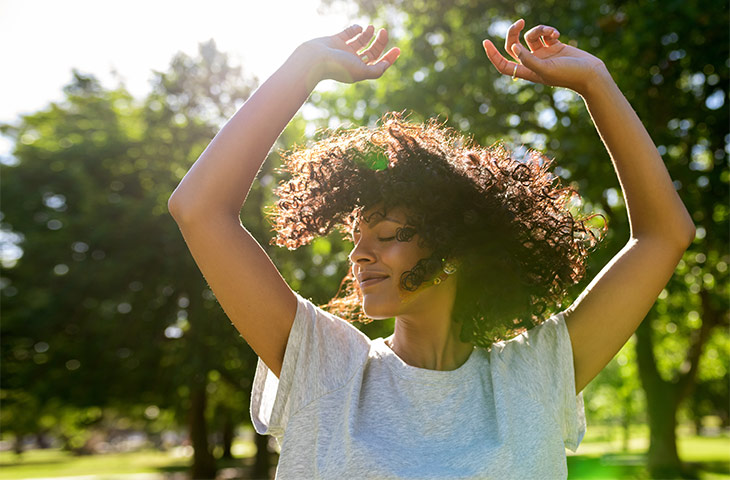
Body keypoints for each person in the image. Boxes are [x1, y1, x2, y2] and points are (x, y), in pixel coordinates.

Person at [168, 19, 695, 479]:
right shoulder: (325, 366)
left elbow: (664, 235)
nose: (358, 255)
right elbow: (199, 209)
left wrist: (595, 83)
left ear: (456, 247)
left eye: (386, 234)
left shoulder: (534, 376)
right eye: (356, 238)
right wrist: (302, 68)